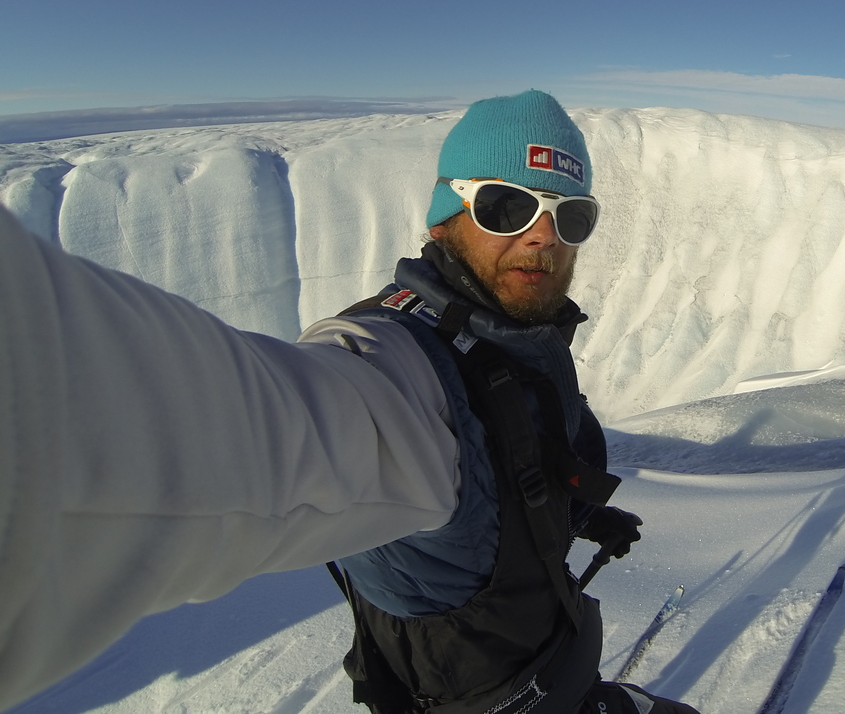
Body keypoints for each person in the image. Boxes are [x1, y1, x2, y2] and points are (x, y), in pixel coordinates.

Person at [0, 90, 699, 714]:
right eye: (507, 205)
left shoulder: (509, 339)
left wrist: (574, 511)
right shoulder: (398, 372)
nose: (543, 234)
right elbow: (254, 427)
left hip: (543, 679)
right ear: (445, 216)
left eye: (569, 215)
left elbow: (511, 458)